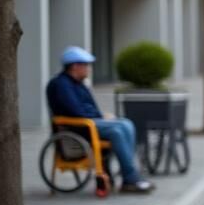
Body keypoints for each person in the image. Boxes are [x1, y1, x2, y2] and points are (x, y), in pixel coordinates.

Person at [45, 47, 155, 194]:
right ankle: (130, 179)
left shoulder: (79, 84)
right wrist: (100, 118)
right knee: (116, 131)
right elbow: (76, 112)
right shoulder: (61, 84)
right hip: (77, 128)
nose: (89, 69)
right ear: (75, 66)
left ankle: (130, 174)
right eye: (86, 65)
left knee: (127, 123)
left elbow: (90, 109)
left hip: (89, 123)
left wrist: (102, 116)